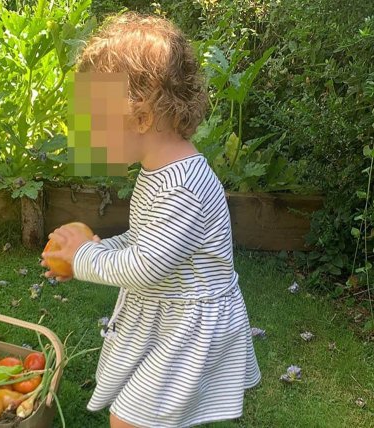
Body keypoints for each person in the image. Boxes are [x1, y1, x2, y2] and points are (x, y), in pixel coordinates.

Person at [41, 12, 261, 428]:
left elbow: (147, 265)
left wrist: (84, 256)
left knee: (130, 419)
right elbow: (146, 240)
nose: (90, 134)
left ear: (141, 116)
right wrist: (95, 251)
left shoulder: (183, 187)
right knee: (142, 415)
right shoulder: (160, 171)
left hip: (191, 328)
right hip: (172, 313)